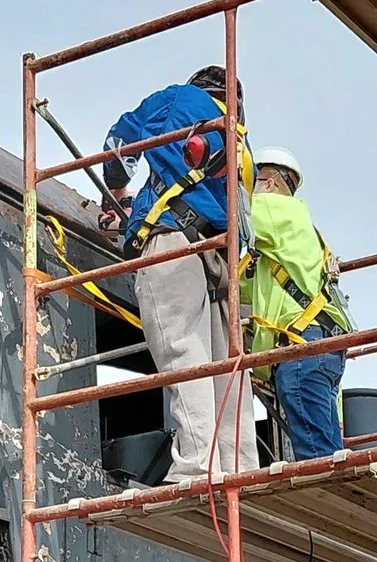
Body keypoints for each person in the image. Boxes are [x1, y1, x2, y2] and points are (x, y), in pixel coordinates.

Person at [100, 66, 253, 484]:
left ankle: (196, 468)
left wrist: (114, 194)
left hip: (174, 243)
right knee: (227, 366)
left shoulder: (180, 100)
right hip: (221, 260)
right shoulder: (238, 140)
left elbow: (118, 144)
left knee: (180, 348)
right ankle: (238, 467)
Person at [238, 146, 350, 462]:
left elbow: (227, 219)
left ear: (269, 183)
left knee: (316, 459)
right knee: (327, 450)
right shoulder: (290, 235)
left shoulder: (272, 208)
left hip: (303, 346)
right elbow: (248, 289)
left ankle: (326, 497)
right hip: (323, 344)